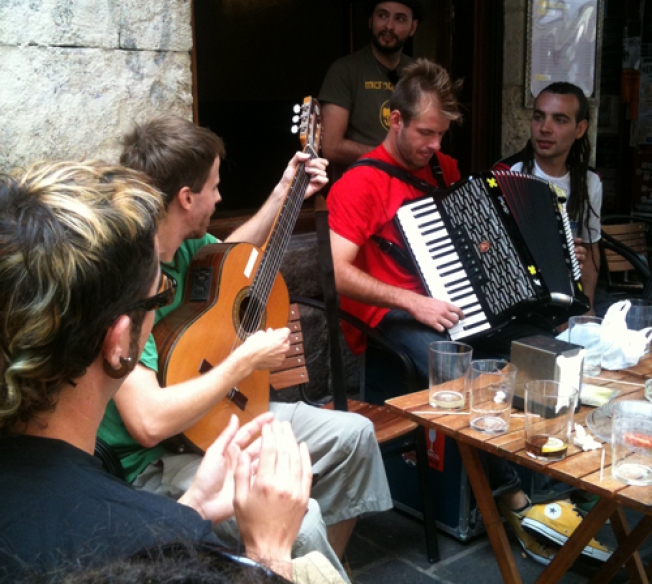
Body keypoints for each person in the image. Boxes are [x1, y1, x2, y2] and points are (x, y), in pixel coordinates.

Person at [327, 59, 611, 565]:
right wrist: (412, 300)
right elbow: (337, 272)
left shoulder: (444, 169)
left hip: (452, 302)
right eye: (426, 132)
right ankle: (514, 500)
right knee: (455, 364)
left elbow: (470, 235)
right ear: (395, 120)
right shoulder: (359, 183)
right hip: (388, 317)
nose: (436, 146)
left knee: (551, 350)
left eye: (442, 133)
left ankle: (560, 478)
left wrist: (492, 255)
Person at [97, 115, 392, 583]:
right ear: (186, 198)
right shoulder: (132, 282)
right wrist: (246, 361)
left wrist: (284, 192)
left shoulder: (187, 249)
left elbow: (232, 257)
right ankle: (286, 561)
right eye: (214, 188)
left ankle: (316, 568)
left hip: (217, 414)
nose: (219, 198)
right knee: (306, 516)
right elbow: (148, 423)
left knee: (355, 435)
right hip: (157, 456)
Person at [0, 161, 326, 583]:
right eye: (161, 296)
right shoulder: (159, 552)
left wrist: (190, 506)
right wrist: (269, 554)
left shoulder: (162, 528)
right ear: (118, 342)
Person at [493, 82, 605, 317]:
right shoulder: (508, 173)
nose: (545, 128)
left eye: (559, 120)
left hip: (568, 299)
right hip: (518, 303)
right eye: (538, 117)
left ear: (580, 129)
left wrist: (586, 310)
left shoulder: (590, 182)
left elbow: (591, 251)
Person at [318, 0, 424, 179]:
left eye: (400, 19)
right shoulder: (344, 70)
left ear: (413, 27)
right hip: (360, 184)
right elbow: (331, 146)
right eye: (382, 15)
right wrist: (390, 157)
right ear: (370, 21)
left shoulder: (419, 74)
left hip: (409, 184)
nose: (389, 26)